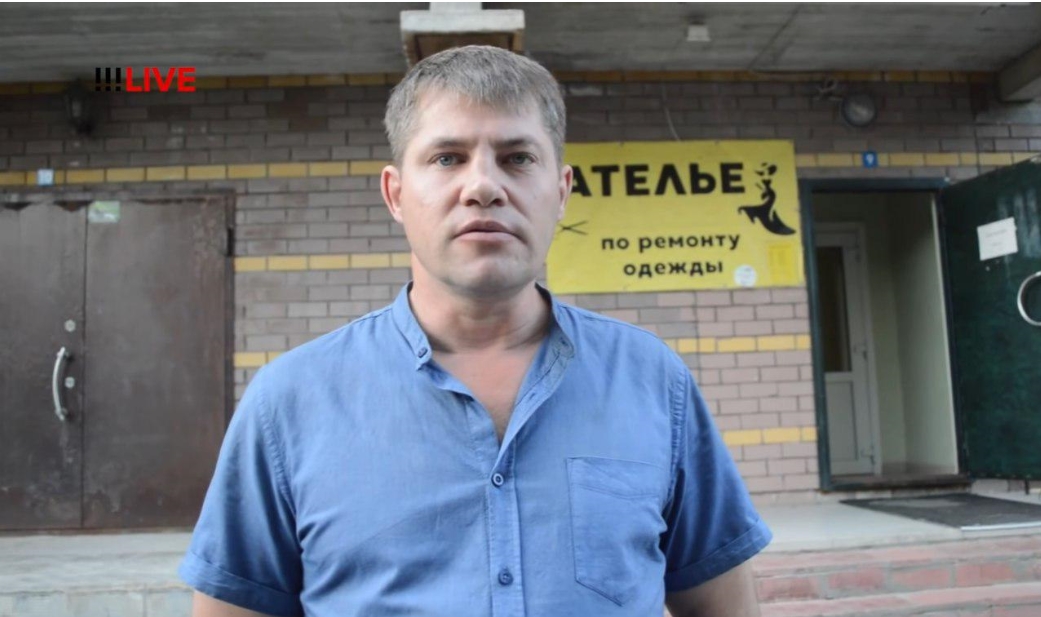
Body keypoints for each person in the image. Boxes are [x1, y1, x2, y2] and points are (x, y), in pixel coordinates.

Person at [179, 45, 771, 617]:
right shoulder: (289, 402)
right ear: (395, 194)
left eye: (518, 158)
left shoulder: (652, 380)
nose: (483, 186)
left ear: (561, 191)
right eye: (447, 158)